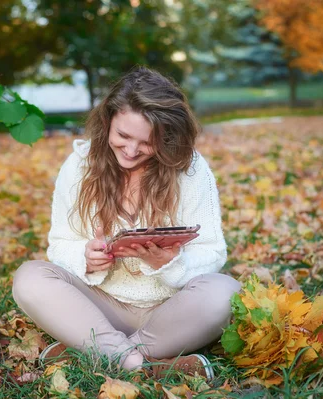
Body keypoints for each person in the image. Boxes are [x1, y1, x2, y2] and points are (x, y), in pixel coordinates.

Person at [12, 66, 241, 380]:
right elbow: (59, 244)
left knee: (226, 293)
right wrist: (86, 257)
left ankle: (98, 355)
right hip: (99, 308)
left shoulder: (190, 170)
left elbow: (213, 252)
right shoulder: (79, 165)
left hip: (171, 311)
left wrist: (174, 262)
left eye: (148, 142)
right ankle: (142, 365)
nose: (132, 151)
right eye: (123, 136)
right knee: (30, 278)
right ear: (107, 121)